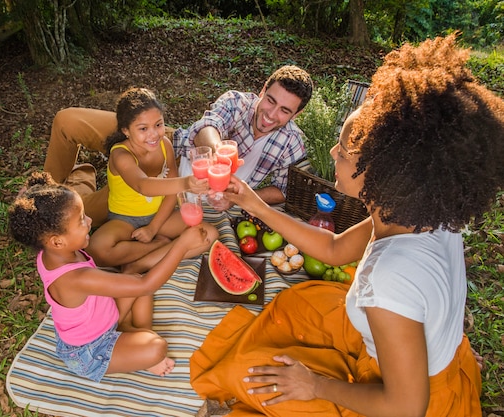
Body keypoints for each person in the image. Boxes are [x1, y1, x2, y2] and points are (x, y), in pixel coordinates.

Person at [189, 34, 502, 416]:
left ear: (382, 169)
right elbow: (335, 249)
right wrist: (256, 204)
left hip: (397, 399)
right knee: (300, 304)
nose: (333, 153)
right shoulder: (415, 215)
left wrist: (315, 385)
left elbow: (406, 407)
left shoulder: (391, 279)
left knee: (247, 373)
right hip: (405, 352)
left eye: (344, 149)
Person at [42, 65, 313, 226]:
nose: (270, 114)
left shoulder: (292, 144)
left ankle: (79, 179)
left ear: (296, 115)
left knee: (65, 213)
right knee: (67, 121)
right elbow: (207, 128)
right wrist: (217, 151)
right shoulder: (236, 101)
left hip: (169, 195)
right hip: (165, 142)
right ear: (264, 88)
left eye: (285, 111)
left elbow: (284, 190)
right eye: (270, 101)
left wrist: (240, 197)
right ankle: (42, 189)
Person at [8, 171, 212, 382]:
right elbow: (146, 286)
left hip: (104, 317)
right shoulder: (76, 279)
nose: (90, 221)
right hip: (90, 350)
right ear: (57, 241)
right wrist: (182, 244)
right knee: (156, 348)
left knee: (134, 275)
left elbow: (137, 282)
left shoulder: (51, 252)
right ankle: (139, 349)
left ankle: (133, 338)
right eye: (81, 221)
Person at [85, 87, 219, 273]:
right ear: (126, 130)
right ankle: (159, 247)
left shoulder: (165, 145)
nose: (154, 134)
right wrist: (187, 183)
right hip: (125, 221)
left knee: (209, 234)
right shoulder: (121, 155)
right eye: (143, 129)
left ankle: (139, 264)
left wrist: (153, 228)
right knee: (96, 251)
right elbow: (143, 185)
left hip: (161, 217)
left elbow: (171, 195)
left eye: (158, 124)